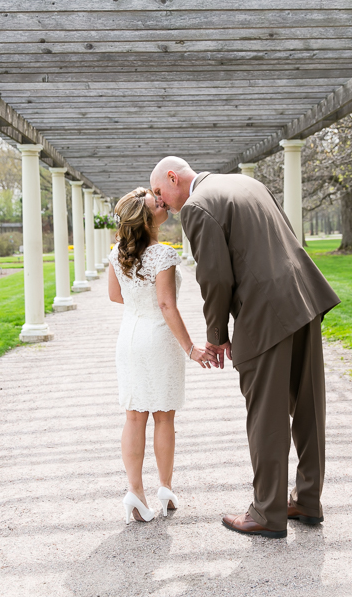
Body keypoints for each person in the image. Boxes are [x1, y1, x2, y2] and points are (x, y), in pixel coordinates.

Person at [150, 157, 340, 539]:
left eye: (159, 192)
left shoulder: (197, 207)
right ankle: (307, 499)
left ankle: (268, 512)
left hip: (266, 315)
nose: (161, 203)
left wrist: (217, 334)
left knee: (266, 415)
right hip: (304, 298)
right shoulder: (245, 184)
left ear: (174, 177)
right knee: (309, 407)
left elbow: (215, 277)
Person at [108, 187, 217, 524]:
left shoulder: (116, 253)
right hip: (157, 339)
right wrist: (190, 347)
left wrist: (141, 306)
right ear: (147, 217)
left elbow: (116, 297)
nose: (163, 203)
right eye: (157, 203)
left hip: (129, 338)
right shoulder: (163, 255)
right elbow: (167, 305)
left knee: (134, 416)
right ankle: (165, 487)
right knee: (164, 418)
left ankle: (134, 492)